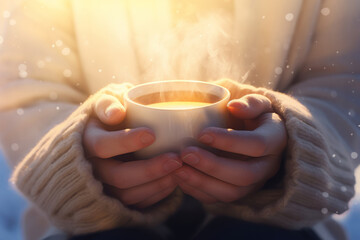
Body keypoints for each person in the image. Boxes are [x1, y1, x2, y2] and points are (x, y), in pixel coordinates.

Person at [0, 0, 359, 239]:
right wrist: (76, 167)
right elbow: (24, 88)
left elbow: (346, 75)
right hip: (87, 224)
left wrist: (292, 154)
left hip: (279, 218)